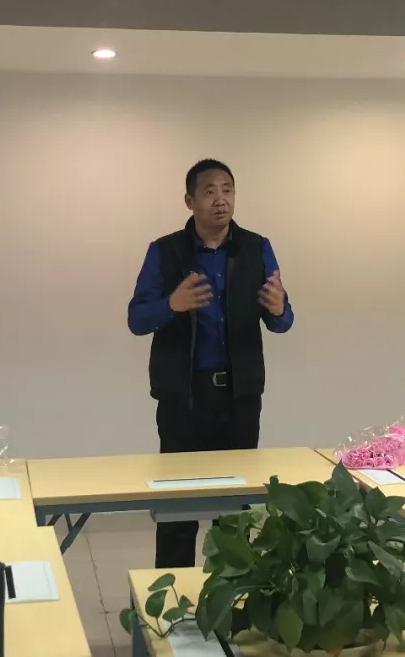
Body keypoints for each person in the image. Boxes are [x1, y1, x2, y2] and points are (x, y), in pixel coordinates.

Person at [128, 159, 294, 568]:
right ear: (190, 200)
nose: (221, 200)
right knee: (177, 511)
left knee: (235, 512)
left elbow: (282, 320)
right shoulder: (165, 251)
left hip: (240, 398)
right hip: (182, 399)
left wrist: (280, 309)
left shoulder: (257, 247)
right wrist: (172, 304)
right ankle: (170, 600)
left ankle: (231, 596)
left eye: (227, 190)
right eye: (209, 192)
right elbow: (137, 320)